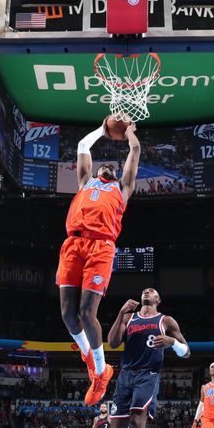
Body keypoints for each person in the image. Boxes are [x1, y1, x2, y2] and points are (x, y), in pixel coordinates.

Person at [57, 119, 141, 406]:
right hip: (73, 243)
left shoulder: (123, 189)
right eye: (104, 165)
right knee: (68, 315)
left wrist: (129, 133)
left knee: (86, 311)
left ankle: (102, 372)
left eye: (113, 168)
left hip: (101, 247)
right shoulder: (85, 181)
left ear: (116, 176)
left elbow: (136, 150)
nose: (109, 166)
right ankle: (89, 355)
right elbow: (82, 145)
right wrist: (102, 130)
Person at [107, 288, 190, 428]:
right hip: (125, 376)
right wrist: (120, 313)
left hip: (148, 375)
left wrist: (172, 343)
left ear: (157, 299)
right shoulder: (129, 317)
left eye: (151, 291)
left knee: (137, 423)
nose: (147, 292)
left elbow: (186, 351)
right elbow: (113, 342)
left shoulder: (166, 320)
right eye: (144, 291)